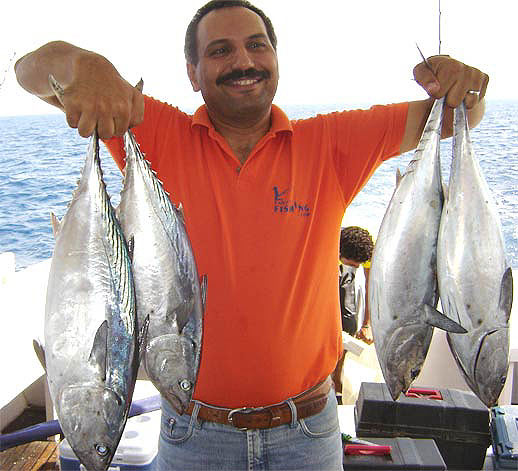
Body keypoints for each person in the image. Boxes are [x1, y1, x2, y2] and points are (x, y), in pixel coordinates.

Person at [14, 1, 488, 469]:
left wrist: (467, 90)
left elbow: (450, 119)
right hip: (193, 435)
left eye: (256, 45)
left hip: (307, 434)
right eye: (220, 50)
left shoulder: (330, 144)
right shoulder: (158, 134)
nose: (243, 61)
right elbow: (28, 72)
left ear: (276, 59)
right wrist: (82, 65)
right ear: (192, 73)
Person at [332, 226, 374, 401]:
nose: (351, 269)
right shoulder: (331, 252)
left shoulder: (368, 258)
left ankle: (338, 385)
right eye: (348, 264)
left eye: (355, 266)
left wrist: (367, 324)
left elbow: (370, 287)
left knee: (346, 344)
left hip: (355, 301)